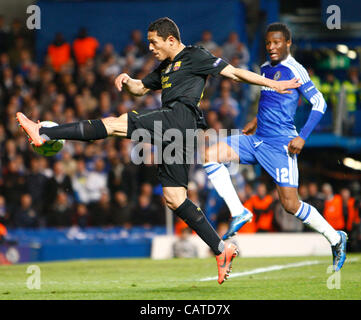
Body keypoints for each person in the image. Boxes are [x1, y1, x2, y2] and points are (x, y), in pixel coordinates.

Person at [16, 17, 299, 284]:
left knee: (115, 124)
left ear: (171, 40)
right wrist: (127, 80)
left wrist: (273, 84)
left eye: (154, 42)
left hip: (179, 118)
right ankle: (221, 248)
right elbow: (140, 89)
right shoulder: (165, 66)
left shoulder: (195, 56)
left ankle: (44, 132)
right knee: (175, 198)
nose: (150, 48)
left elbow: (235, 73)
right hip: (180, 131)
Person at [202, 22, 348, 272]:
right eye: (268, 42)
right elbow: (271, 100)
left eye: (277, 42)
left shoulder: (295, 69)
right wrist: (255, 121)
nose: (271, 47)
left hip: (281, 144)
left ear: (288, 43)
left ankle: (336, 239)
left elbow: (319, 103)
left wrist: (302, 137)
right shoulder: (265, 69)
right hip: (257, 139)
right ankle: (239, 212)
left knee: (290, 205)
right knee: (209, 155)